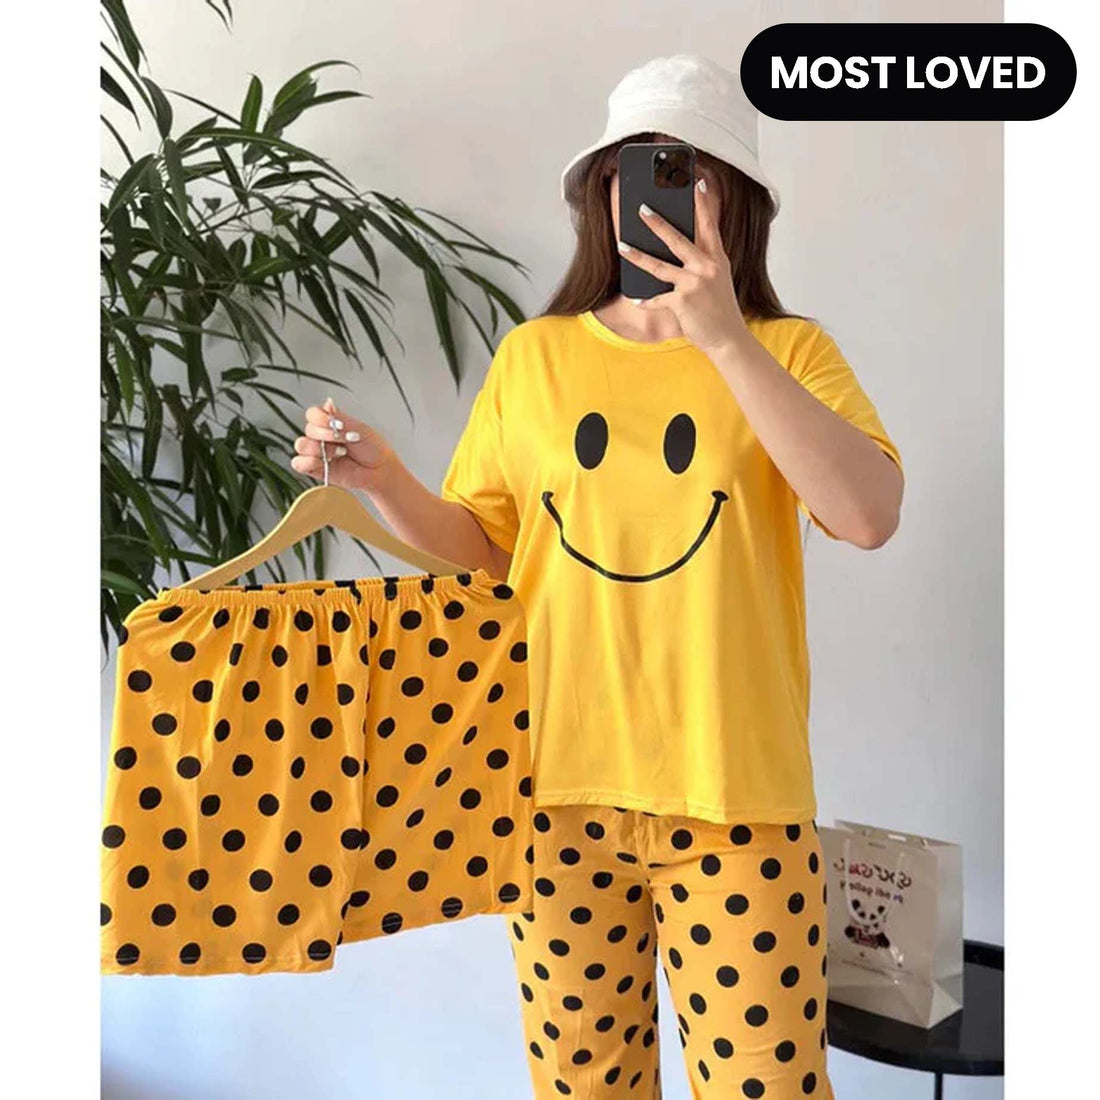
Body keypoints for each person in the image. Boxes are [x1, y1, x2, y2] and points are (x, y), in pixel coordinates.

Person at [293, 53, 902, 1100]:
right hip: (554, 794)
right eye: (634, 167)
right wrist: (384, 481)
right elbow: (490, 550)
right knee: (584, 1087)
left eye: (687, 169)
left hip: (736, 801)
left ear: (733, 198)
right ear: (600, 192)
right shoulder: (535, 358)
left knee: (767, 1086)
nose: (658, 191)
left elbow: (866, 515)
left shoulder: (790, 352)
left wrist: (724, 339)